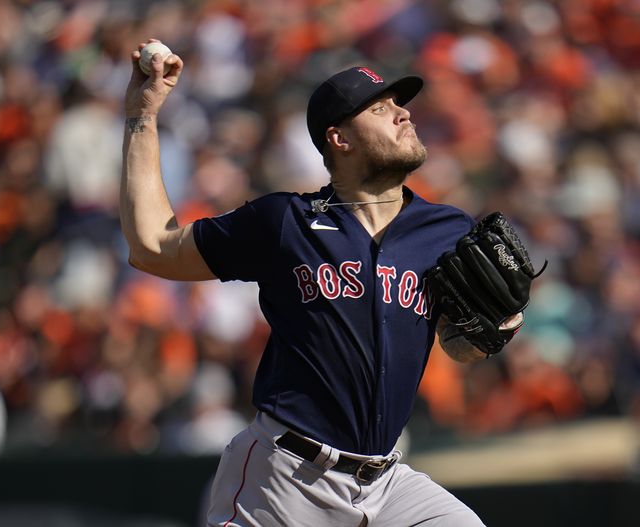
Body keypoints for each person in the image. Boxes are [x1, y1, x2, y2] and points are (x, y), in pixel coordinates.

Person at [121, 40, 505, 526]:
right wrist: (142, 114)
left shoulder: (446, 230)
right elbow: (152, 246)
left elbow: (462, 348)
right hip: (285, 479)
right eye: (380, 108)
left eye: (400, 105)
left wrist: (503, 323)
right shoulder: (286, 221)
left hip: (387, 483)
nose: (403, 115)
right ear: (339, 139)